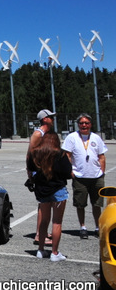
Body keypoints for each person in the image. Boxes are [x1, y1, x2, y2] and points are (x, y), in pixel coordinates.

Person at [27, 131, 72, 261]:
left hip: (42, 190)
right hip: (58, 189)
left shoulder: (35, 153)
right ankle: (55, 252)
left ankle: (40, 250)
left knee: (44, 221)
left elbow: (30, 170)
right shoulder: (60, 154)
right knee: (57, 222)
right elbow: (68, 173)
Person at [62, 113, 108, 239]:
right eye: (81, 123)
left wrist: (102, 172)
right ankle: (83, 227)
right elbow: (67, 155)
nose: (84, 125)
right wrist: (70, 171)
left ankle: (98, 227)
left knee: (97, 204)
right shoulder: (72, 137)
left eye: (86, 123)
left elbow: (102, 156)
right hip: (80, 177)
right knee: (80, 204)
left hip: (96, 177)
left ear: (90, 124)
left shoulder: (96, 138)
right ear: (78, 124)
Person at [27, 109, 56, 245]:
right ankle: (39, 235)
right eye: (51, 117)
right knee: (44, 204)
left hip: (48, 172)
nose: (53, 119)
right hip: (40, 173)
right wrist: (30, 173)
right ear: (44, 119)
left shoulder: (48, 134)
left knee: (47, 203)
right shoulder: (38, 134)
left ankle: (43, 232)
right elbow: (30, 154)